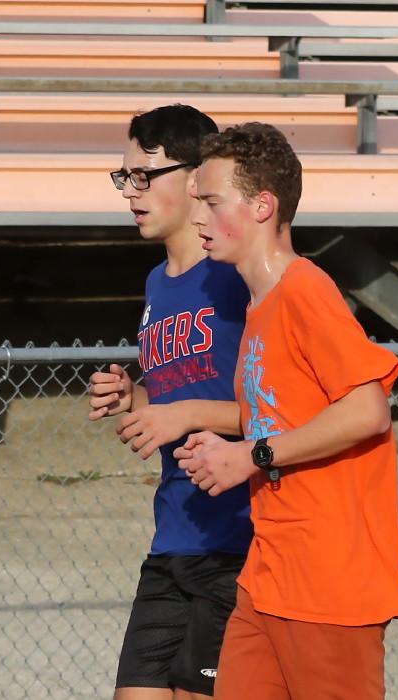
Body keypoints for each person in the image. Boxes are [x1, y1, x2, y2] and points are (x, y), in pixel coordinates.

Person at [174, 122, 398, 700]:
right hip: (268, 576)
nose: (197, 217)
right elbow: (278, 414)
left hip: (330, 583)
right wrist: (216, 442)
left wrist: (250, 456)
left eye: (211, 202)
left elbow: (367, 410)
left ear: (263, 206)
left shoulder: (305, 288)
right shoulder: (259, 304)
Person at [88, 105, 254, 700]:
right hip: (172, 537)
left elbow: (285, 412)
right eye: (123, 177)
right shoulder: (158, 283)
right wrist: (133, 395)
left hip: (237, 543)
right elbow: (178, 393)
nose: (129, 191)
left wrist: (183, 414)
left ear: (194, 178)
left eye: (143, 175)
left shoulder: (237, 275)